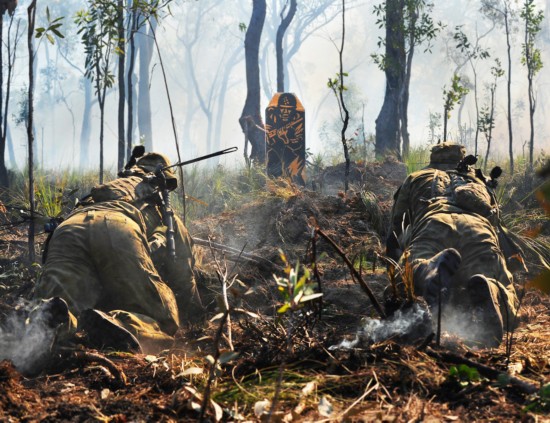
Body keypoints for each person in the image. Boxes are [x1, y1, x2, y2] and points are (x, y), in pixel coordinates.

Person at [33, 151, 202, 353]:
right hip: (118, 225)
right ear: (167, 180)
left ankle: (49, 330)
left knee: (59, 308)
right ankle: (117, 324)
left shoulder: (101, 192)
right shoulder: (161, 205)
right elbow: (183, 272)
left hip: (67, 230)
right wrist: (197, 315)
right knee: (162, 319)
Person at [386, 142, 519, 347]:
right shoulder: (479, 181)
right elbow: (496, 225)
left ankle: (426, 269)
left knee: (406, 279)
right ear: (462, 158)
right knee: (504, 286)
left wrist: (396, 266)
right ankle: (491, 288)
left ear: (432, 160)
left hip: (433, 226)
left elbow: (396, 228)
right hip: (477, 229)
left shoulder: (415, 178)